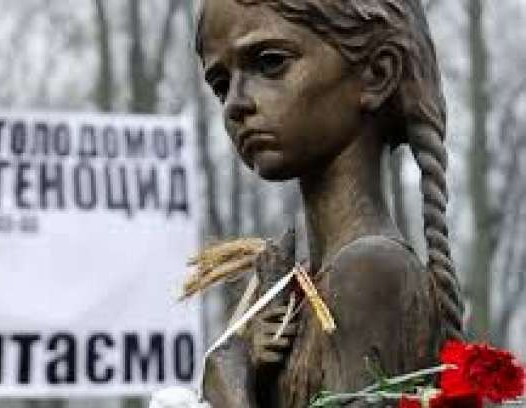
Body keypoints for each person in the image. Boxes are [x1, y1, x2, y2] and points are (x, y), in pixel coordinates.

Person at [194, 0, 464, 406]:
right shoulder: (303, 286)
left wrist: (228, 390)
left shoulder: (371, 271)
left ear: (377, 73)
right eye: (220, 84)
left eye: (270, 63)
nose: (235, 103)